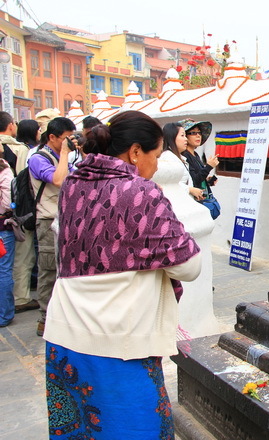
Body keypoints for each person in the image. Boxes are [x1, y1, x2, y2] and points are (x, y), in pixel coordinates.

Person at [44, 110, 201, 439]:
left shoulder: (74, 183)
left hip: (63, 338)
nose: (157, 165)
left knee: (79, 432)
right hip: (117, 344)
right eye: (156, 156)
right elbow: (189, 265)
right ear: (134, 152)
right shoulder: (141, 193)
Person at [28, 117, 77, 336]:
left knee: (64, 269)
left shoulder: (63, 156)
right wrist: (66, 154)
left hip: (66, 219)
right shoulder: (39, 158)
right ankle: (45, 318)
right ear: (52, 137)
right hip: (47, 221)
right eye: (66, 138)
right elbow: (58, 180)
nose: (69, 142)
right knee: (48, 270)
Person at [0, 114, 40, 313]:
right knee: (22, 258)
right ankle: (20, 297)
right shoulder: (21, 150)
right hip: (15, 212)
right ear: (9, 126)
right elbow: (24, 184)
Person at [154, 122, 204, 201]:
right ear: (172, 137)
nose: (186, 139)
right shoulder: (167, 157)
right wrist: (190, 190)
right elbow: (167, 184)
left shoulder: (180, 157)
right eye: (182, 135)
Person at [179, 118, 219, 191]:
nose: (198, 136)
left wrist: (207, 180)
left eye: (199, 133)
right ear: (185, 136)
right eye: (193, 133)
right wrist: (209, 167)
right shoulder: (184, 156)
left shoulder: (195, 154)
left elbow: (199, 177)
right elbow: (193, 181)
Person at [0, 151, 15, 327]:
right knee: (4, 270)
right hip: (2, 225)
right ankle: (4, 315)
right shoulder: (3, 168)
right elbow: (7, 201)